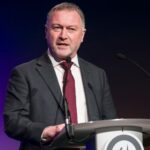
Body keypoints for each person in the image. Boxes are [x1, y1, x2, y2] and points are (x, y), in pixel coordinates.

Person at [3, 2, 117, 150]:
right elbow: (12, 121)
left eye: (71, 29)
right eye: (57, 28)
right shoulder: (25, 73)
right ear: (46, 32)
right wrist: (44, 132)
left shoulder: (97, 74)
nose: (63, 35)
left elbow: (111, 123)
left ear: (82, 35)